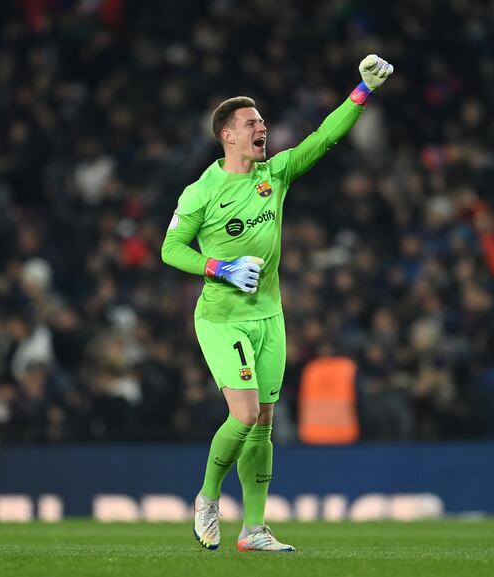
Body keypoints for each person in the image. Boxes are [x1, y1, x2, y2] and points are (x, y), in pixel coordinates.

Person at [161, 54, 393, 551]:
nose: (261, 128)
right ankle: (206, 498)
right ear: (227, 135)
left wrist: (361, 91)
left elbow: (324, 138)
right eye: (250, 123)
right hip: (222, 320)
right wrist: (218, 267)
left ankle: (253, 529)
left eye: (262, 121)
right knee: (243, 415)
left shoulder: (276, 175)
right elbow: (170, 249)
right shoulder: (201, 191)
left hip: (270, 316)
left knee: (264, 423)